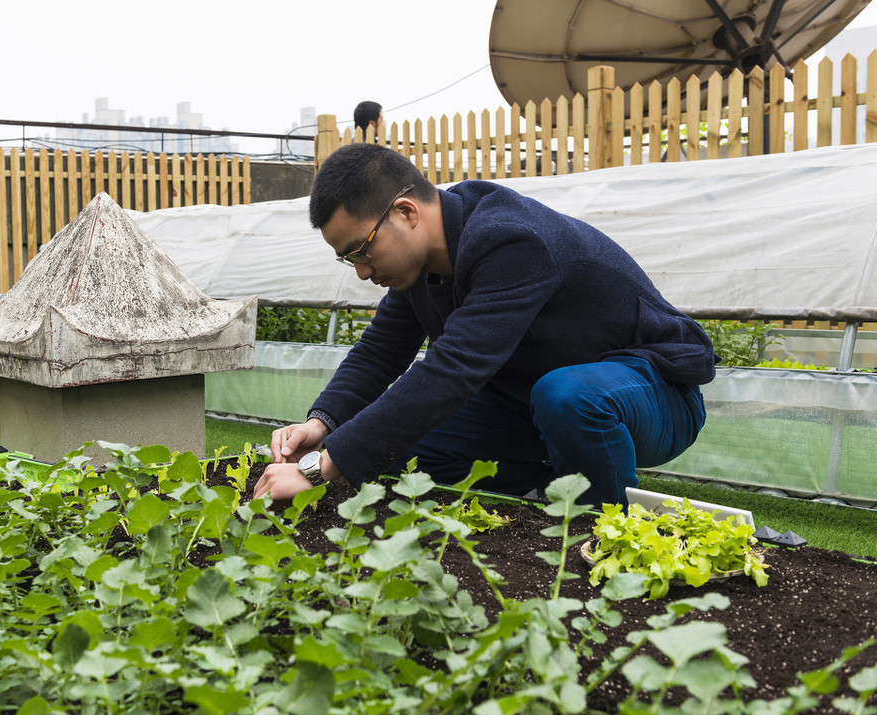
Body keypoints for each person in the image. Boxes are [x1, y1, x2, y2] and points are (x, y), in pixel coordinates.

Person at [253, 144, 715, 506]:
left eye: (362, 250)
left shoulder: (510, 240)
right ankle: (551, 490)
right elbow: (379, 352)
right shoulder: (421, 264)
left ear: (406, 213)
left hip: (650, 396)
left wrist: (319, 468)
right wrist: (322, 424)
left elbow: (452, 370)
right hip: (531, 407)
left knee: (568, 396)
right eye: (348, 259)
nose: (362, 272)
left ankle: (603, 526)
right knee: (395, 449)